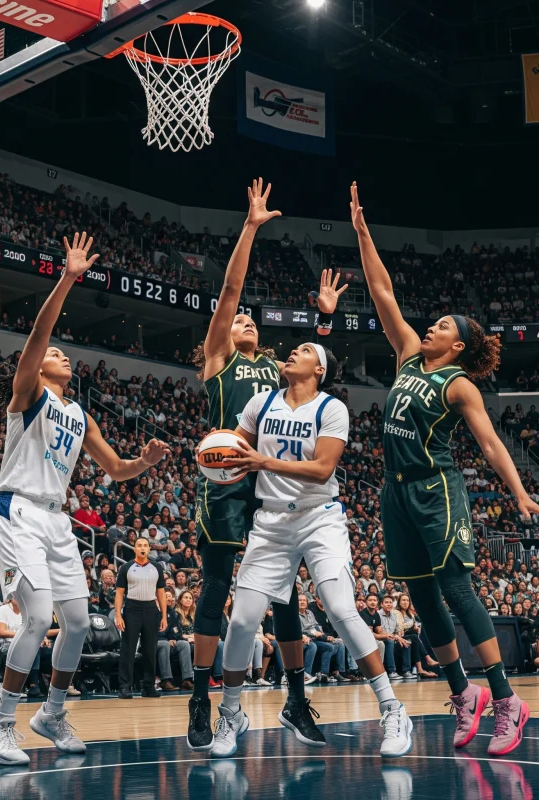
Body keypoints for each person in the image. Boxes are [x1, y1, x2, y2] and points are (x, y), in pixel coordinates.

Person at [349, 182, 539, 757]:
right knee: (421, 598)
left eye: (443, 325)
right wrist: (363, 234)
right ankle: (464, 693)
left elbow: (489, 443)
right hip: (395, 492)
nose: (432, 327)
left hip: (437, 489)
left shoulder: (459, 384)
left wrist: (519, 493)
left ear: (459, 345)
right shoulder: (407, 355)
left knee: (457, 590)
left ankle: (507, 700)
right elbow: (382, 292)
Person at [0, 232, 169, 766]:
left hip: (56, 520)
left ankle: (52, 713)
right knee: (38, 617)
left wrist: (144, 462)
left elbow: (116, 468)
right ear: (39, 366)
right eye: (55, 354)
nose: (62, 356)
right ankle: (0, 724)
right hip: (16, 509)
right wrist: (67, 278)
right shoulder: (29, 395)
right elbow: (39, 334)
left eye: (65, 354)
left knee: (79, 623)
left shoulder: (80, 414)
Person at [186, 179, 347, 751]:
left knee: (286, 601)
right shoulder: (220, 361)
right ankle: (201, 698)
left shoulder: (278, 372)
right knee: (215, 590)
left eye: (251, 321)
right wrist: (250, 228)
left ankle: (296, 700)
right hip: (228, 486)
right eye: (238, 321)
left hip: (274, 490)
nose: (246, 321)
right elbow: (231, 290)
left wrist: (324, 324)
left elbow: (319, 370)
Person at [209, 341, 413, 759]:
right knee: (242, 621)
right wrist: (215, 455)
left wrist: (264, 463)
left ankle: (393, 709)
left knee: (340, 609)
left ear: (320, 369)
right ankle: (231, 713)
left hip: (320, 517)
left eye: (304, 350)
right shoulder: (261, 404)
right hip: (271, 522)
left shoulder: (331, 408)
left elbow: (322, 469)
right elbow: (233, 451)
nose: (292, 352)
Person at [114, 537, 167, 698]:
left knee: (150, 649)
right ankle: (125, 687)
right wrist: (118, 615)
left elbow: (161, 593)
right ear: (134, 548)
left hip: (151, 608)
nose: (142, 548)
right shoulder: (126, 568)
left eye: (145, 545)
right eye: (139, 545)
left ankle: (148, 687)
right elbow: (119, 593)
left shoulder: (157, 567)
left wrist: (164, 616)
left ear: (149, 548)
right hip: (132, 608)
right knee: (128, 648)